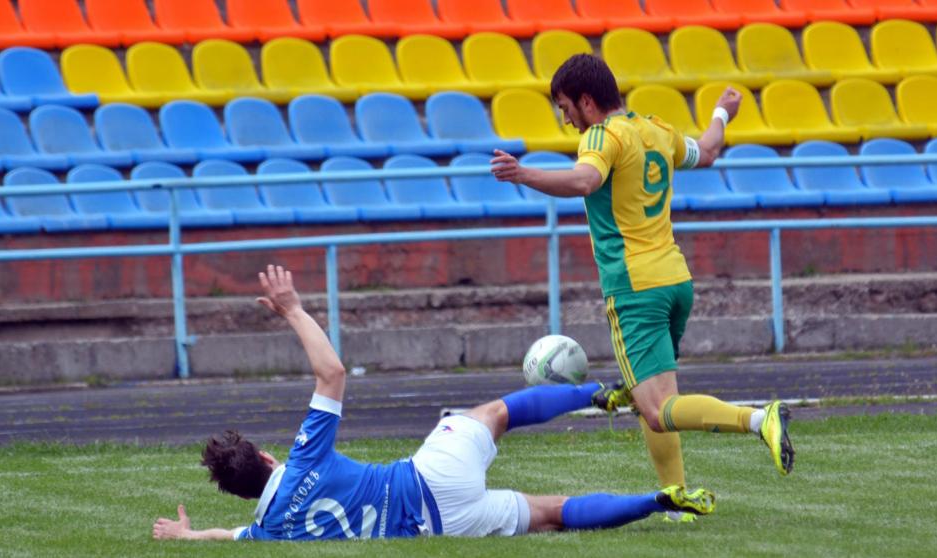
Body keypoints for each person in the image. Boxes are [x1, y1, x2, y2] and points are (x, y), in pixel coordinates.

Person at [152, 265, 715, 542]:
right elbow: (332, 371)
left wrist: (188, 537)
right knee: (495, 415)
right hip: (425, 478)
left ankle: (661, 501)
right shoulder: (304, 458)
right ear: (269, 459)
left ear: (245, 494)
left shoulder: (272, 530)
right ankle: (601, 394)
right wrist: (293, 309)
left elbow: (233, 538)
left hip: (442, 526)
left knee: (552, 513)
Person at [490, 54, 795, 513]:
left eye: (564, 106)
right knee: (648, 399)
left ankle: (757, 419)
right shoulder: (655, 130)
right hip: (675, 282)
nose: (564, 117)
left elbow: (585, 180)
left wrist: (521, 174)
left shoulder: (601, 135)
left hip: (635, 289)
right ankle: (678, 497)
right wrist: (720, 113)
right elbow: (708, 151)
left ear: (587, 101)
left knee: (657, 408)